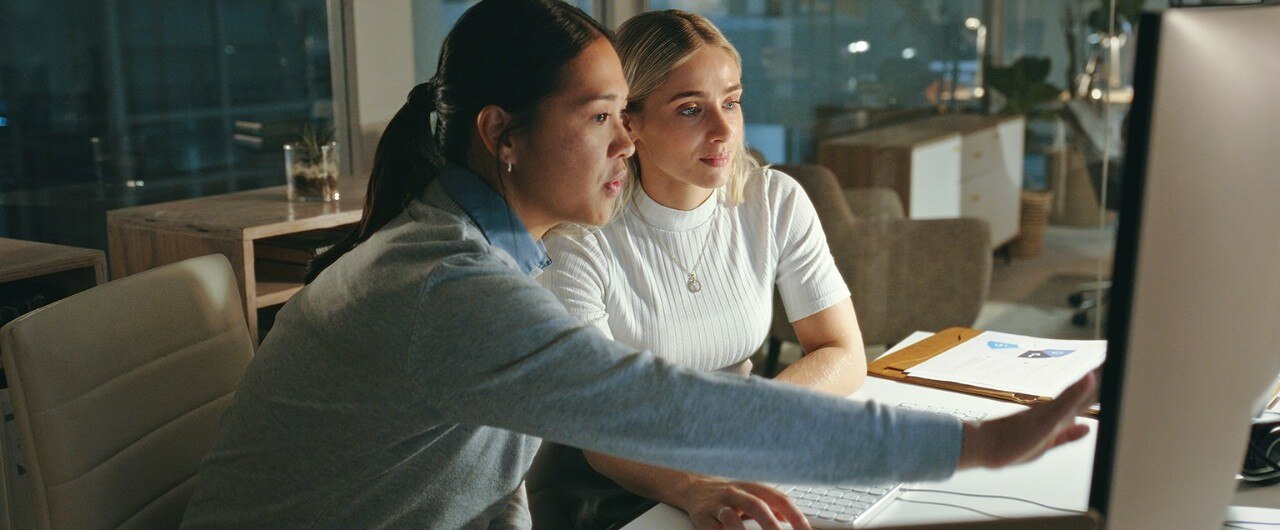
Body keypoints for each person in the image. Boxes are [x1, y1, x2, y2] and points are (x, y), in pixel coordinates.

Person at [180, 1, 1097, 529]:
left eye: (627, 113)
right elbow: (667, 409)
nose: (627, 141)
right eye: (599, 117)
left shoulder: (482, 252)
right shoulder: (447, 287)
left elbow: (490, 487)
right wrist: (970, 446)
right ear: (500, 134)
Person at [534, 10, 868, 530]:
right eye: (691, 109)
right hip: (613, 492)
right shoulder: (578, 241)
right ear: (630, 121)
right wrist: (697, 484)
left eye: (731, 102)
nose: (723, 130)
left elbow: (843, 353)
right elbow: (599, 431)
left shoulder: (773, 200)